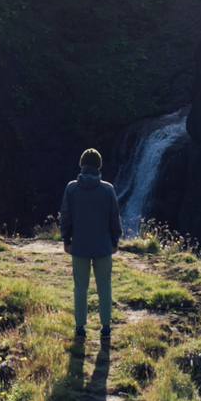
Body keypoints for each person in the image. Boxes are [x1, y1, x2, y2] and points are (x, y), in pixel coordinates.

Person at [59, 147, 122, 345]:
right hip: (103, 247)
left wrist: (66, 240)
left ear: (81, 165)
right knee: (104, 287)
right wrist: (115, 241)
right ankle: (105, 328)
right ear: (99, 167)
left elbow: (66, 217)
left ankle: (80, 328)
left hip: (79, 246)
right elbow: (114, 219)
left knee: (80, 287)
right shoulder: (108, 189)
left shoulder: (71, 188)